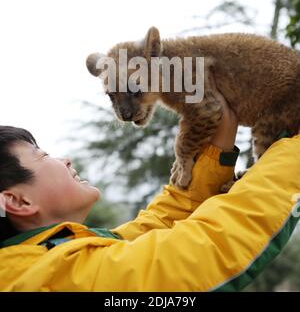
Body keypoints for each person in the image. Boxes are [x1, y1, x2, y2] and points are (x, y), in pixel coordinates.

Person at [0, 89, 299, 292]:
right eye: (41, 155)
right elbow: (206, 250)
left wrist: (215, 147)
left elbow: (159, 225)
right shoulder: (46, 277)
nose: (64, 159)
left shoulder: (47, 253)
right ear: (16, 200)